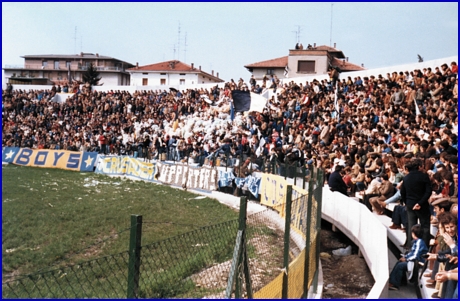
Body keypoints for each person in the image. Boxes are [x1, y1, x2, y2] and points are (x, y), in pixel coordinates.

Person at [400, 159, 432, 248]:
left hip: (410, 204)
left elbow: (402, 192)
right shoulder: (424, 176)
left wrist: (407, 203)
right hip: (422, 205)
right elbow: (428, 191)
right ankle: (424, 248)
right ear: (418, 167)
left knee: (411, 226)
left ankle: (411, 247)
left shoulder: (406, 178)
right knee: (425, 227)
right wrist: (420, 203)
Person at [388, 224, 428, 290]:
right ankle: (400, 281)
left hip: (418, 262)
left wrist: (406, 259)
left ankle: (394, 284)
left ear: (414, 234)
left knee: (400, 265)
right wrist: (405, 257)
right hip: (414, 261)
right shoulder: (416, 241)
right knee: (399, 262)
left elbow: (415, 255)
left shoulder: (419, 242)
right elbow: (411, 253)